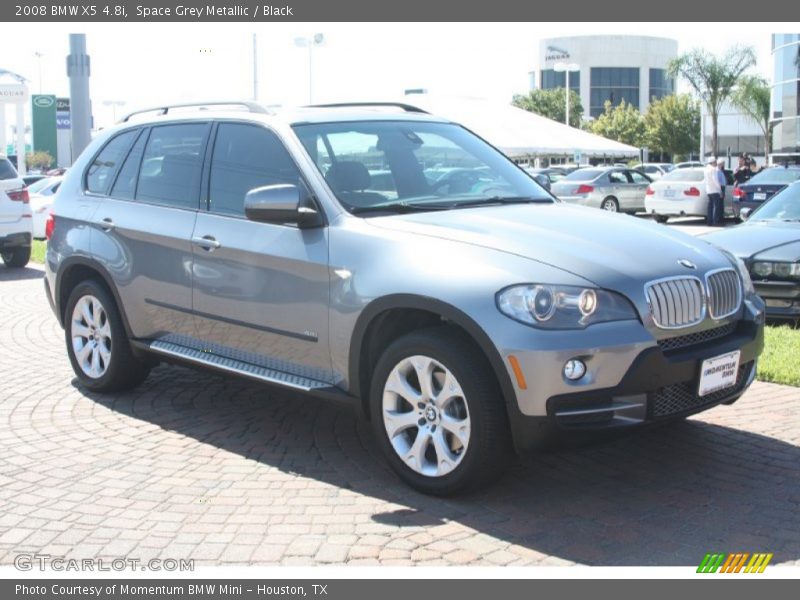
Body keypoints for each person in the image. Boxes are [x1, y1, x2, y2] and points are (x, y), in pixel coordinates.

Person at [704, 157, 723, 226]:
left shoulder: (706, 169)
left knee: (710, 206)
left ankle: (709, 222)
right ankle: (715, 222)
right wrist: (720, 190)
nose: (716, 163)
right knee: (716, 206)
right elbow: (715, 180)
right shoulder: (713, 169)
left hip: (708, 190)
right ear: (712, 162)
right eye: (715, 162)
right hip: (714, 190)